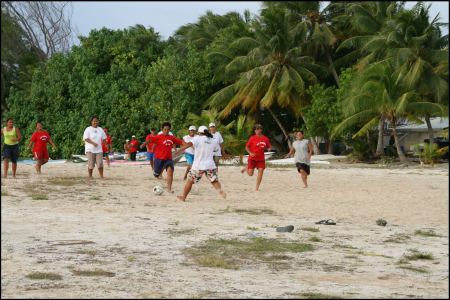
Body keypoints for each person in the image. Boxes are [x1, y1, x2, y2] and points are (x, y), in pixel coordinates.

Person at [174, 125, 226, 201]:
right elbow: (216, 149)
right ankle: (221, 193)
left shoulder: (197, 138)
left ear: (199, 132)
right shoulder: (213, 140)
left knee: (190, 181)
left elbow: (188, 144)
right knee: (214, 180)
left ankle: (183, 197)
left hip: (198, 166)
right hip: (210, 165)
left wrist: (179, 150)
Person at [141, 122, 185, 193]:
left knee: (170, 173)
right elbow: (149, 140)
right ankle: (157, 173)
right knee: (156, 174)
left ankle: (169, 189)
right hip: (159, 159)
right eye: (165, 129)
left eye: (168, 129)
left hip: (168, 159)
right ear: (162, 129)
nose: (166, 131)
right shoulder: (158, 137)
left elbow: (181, 142)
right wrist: (143, 144)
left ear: (169, 130)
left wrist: (187, 145)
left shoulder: (172, 137)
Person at [241, 124, 271, 191]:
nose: (257, 130)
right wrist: (250, 153)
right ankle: (246, 168)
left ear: (261, 129)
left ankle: (257, 188)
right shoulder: (252, 138)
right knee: (250, 174)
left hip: (261, 159)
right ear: (254, 130)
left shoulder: (265, 138)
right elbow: (246, 147)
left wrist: (269, 149)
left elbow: (269, 146)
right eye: (256, 129)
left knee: (260, 172)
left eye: (258, 128)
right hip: (252, 159)